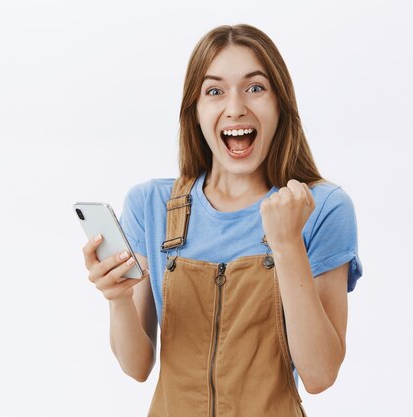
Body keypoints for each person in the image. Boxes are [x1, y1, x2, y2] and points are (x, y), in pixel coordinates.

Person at [82, 24, 362, 417]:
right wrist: (117, 298)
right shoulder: (150, 204)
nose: (235, 107)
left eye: (255, 87)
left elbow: (319, 375)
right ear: (194, 112)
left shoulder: (320, 207)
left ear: (280, 103)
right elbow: (136, 366)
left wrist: (286, 244)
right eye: (214, 91)